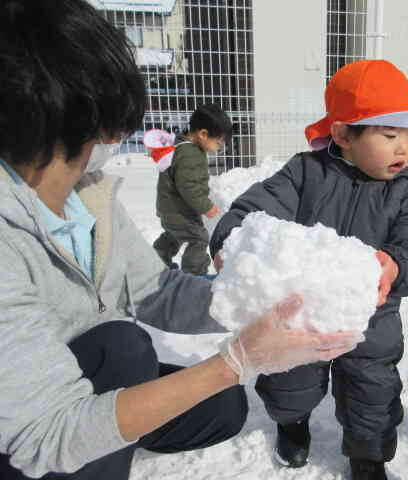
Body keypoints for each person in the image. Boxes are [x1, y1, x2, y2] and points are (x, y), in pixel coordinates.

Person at [0, 2, 363, 479]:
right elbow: (45, 431)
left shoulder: (86, 193)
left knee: (222, 406)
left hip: (93, 369)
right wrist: (235, 361)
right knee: (124, 345)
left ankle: (117, 424)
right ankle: (104, 446)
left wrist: (272, 298)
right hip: (33, 416)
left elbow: (157, 290)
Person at [210, 59, 408, 480]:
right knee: (290, 377)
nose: (403, 148)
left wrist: (396, 265)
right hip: (304, 307)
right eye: (388, 135)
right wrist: (233, 243)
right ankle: (291, 423)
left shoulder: (403, 192)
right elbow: (250, 212)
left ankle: (367, 454)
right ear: (342, 134)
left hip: (371, 312)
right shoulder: (305, 173)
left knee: (373, 389)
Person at [152, 103, 231, 275]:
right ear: (203, 134)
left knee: (174, 235)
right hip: (179, 211)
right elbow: (188, 186)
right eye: (218, 142)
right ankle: (195, 274)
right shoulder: (191, 154)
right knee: (198, 237)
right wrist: (206, 206)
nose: (219, 147)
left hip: (170, 209)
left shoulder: (182, 146)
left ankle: (157, 263)